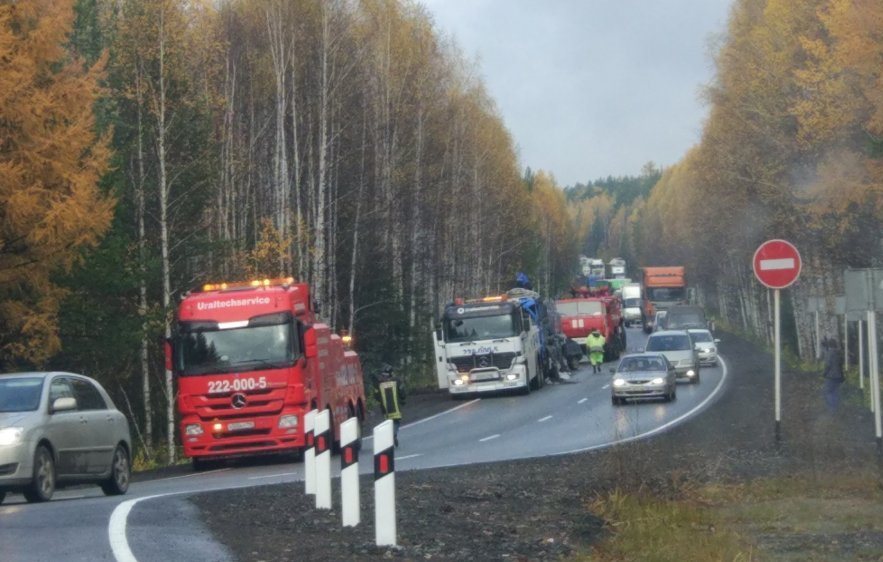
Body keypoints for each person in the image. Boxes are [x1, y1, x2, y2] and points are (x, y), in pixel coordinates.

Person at [375, 364, 405, 446]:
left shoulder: (379, 384)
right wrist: (403, 400)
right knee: (396, 422)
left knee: (387, 423)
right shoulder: (397, 381)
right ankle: (393, 435)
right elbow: (402, 392)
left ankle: (388, 437)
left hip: (385, 410)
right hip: (396, 409)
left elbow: (377, 396)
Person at [822, 338, 844, 412]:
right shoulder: (839, 353)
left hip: (831, 376)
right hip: (838, 376)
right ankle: (836, 407)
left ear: (829, 345)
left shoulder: (829, 353)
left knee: (828, 391)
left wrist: (824, 373)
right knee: (835, 391)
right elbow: (841, 365)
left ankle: (832, 408)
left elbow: (828, 365)